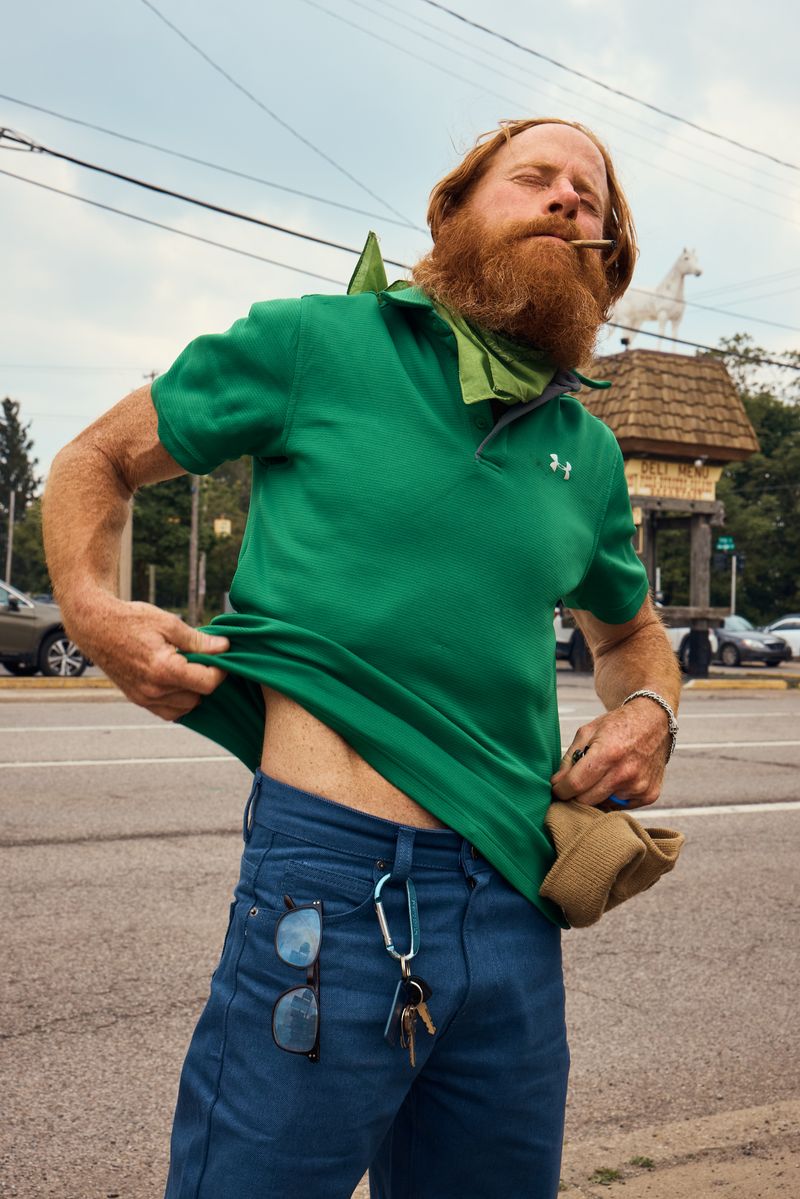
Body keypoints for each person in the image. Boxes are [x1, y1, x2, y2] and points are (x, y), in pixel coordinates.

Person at [43, 117, 682, 1199]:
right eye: (536, 176)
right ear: (451, 211)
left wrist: (648, 714)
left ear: (605, 265)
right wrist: (95, 610)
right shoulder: (315, 344)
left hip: (520, 911)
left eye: (592, 199)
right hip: (335, 887)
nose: (569, 199)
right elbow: (96, 458)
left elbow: (629, 635)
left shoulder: (589, 446)